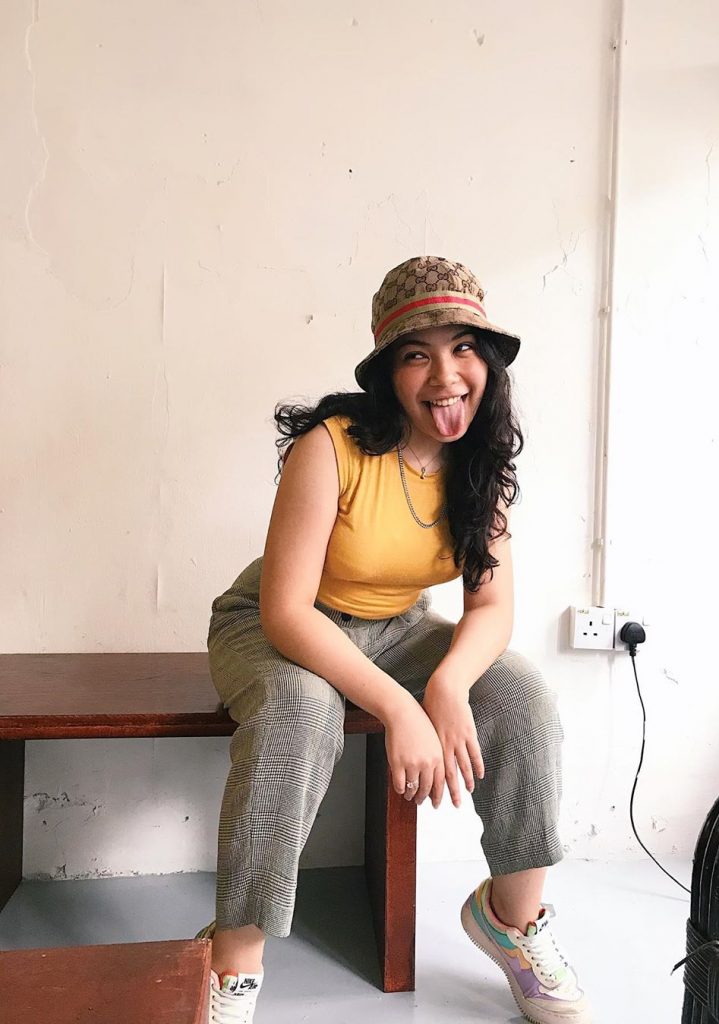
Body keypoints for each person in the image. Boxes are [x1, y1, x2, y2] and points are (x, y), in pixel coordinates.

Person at [197, 256, 591, 1024]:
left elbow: (491, 606)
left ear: (488, 362)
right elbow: (287, 612)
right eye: (417, 354)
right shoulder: (331, 446)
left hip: (398, 629)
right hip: (276, 625)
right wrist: (401, 709)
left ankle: (511, 921)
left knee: (521, 696)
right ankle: (231, 963)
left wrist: (445, 685)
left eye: (463, 347)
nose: (445, 375)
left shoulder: (479, 464)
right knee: (301, 712)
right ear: (389, 373)